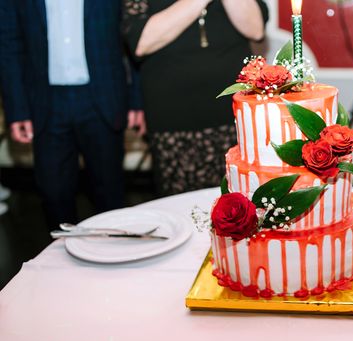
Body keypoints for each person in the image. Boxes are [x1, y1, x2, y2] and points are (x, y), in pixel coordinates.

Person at [0, 0, 144, 229]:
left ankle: (115, 256)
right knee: (54, 195)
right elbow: (8, 43)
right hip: (45, 101)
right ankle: (61, 262)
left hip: (103, 98)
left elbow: (134, 32)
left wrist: (138, 100)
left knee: (110, 193)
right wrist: (17, 110)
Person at [122, 0, 268, 196]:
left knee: (241, 201)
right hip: (173, 113)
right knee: (179, 205)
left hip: (232, 110)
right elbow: (140, 42)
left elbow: (255, 29)